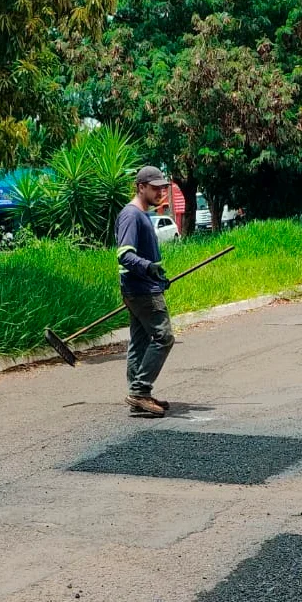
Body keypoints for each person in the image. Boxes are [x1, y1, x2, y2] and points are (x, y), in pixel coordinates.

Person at [116, 166, 176, 418]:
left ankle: (137, 394)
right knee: (164, 337)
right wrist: (148, 268)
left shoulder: (141, 215)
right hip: (142, 291)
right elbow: (124, 255)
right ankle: (140, 391)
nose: (160, 193)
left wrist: (158, 275)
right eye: (155, 188)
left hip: (141, 287)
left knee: (140, 341)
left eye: (163, 188)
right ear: (141, 187)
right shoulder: (131, 215)